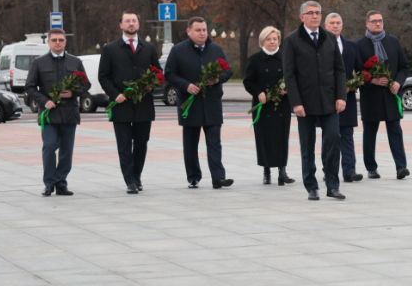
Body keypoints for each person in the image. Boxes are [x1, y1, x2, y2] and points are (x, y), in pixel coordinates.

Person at [282, 0, 346, 201]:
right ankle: (311, 185)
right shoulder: (292, 40)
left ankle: (332, 184)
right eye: (310, 13)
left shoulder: (329, 38)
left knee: (333, 140)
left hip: (329, 101)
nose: (315, 16)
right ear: (302, 17)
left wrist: (341, 96)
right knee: (307, 145)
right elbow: (289, 74)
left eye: (318, 12)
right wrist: (296, 102)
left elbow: (339, 70)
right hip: (305, 103)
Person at [164, 16, 234, 188]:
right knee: (190, 143)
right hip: (190, 104)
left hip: (212, 103)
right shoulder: (178, 51)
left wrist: (217, 79)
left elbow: (228, 71)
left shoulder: (216, 49)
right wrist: (186, 85)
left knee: (214, 143)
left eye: (204, 30)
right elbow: (169, 74)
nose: (202, 33)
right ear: (189, 31)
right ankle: (193, 176)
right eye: (198, 30)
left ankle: (218, 178)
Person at [98, 11, 162, 194]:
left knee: (142, 143)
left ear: (139, 24)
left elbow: (157, 73)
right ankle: (130, 181)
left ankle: (137, 176)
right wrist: (115, 94)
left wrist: (151, 86)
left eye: (134, 21)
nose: (131, 24)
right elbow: (103, 77)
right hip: (121, 104)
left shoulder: (149, 48)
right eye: (127, 21)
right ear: (121, 25)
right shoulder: (110, 49)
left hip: (143, 105)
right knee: (124, 144)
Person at [24, 29, 86, 197]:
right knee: (49, 147)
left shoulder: (75, 62)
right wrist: (45, 101)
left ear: (65, 42)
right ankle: (49, 183)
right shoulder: (39, 63)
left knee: (66, 152)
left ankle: (61, 183)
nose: (58, 43)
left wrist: (74, 93)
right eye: (54, 40)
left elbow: (85, 85)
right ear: (49, 42)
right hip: (49, 114)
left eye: (61, 40)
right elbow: (30, 87)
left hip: (69, 113)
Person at [355, 11, 411, 180]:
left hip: (390, 94)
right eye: (374, 21)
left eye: (380, 21)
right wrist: (371, 80)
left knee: (395, 130)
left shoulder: (393, 42)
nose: (378, 24)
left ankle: (401, 167)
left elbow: (404, 67)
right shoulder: (360, 45)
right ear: (367, 24)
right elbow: (357, 71)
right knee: (370, 133)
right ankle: (371, 168)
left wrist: (398, 83)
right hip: (370, 96)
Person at [243, 26, 294, 185]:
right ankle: (266, 170)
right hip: (263, 105)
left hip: (281, 105)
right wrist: (258, 93)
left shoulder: (286, 58)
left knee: (281, 137)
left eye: (275, 39)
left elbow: (292, 78)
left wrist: (287, 89)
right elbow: (248, 81)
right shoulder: (255, 59)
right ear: (262, 41)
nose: (272, 42)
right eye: (269, 39)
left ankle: (282, 170)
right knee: (264, 138)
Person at [326, 12, 363, 182]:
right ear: (326, 26)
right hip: (327, 99)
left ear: (342, 25)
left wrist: (353, 84)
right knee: (331, 137)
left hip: (347, 98)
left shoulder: (351, 46)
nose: (335, 25)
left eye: (338, 22)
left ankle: (350, 170)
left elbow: (362, 73)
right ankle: (329, 171)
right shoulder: (320, 46)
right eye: (332, 23)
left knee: (347, 135)